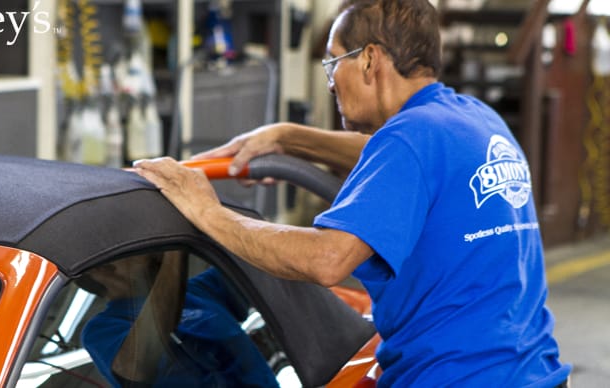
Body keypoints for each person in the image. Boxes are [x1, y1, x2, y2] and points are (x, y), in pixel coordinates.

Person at [133, 0, 572, 386]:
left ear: (369, 61)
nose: (329, 82)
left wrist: (206, 211)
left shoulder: (410, 140)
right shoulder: (474, 121)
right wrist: (288, 138)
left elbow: (328, 259)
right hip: (533, 371)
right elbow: (396, 160)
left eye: (332, 62)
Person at [78, 252, 279, 387]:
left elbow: (263, 262)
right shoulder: (101, 331)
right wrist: (174, 253)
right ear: (101, 270)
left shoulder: (200, 291)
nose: (153, 250)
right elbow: (135, 369)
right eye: (133, 250)